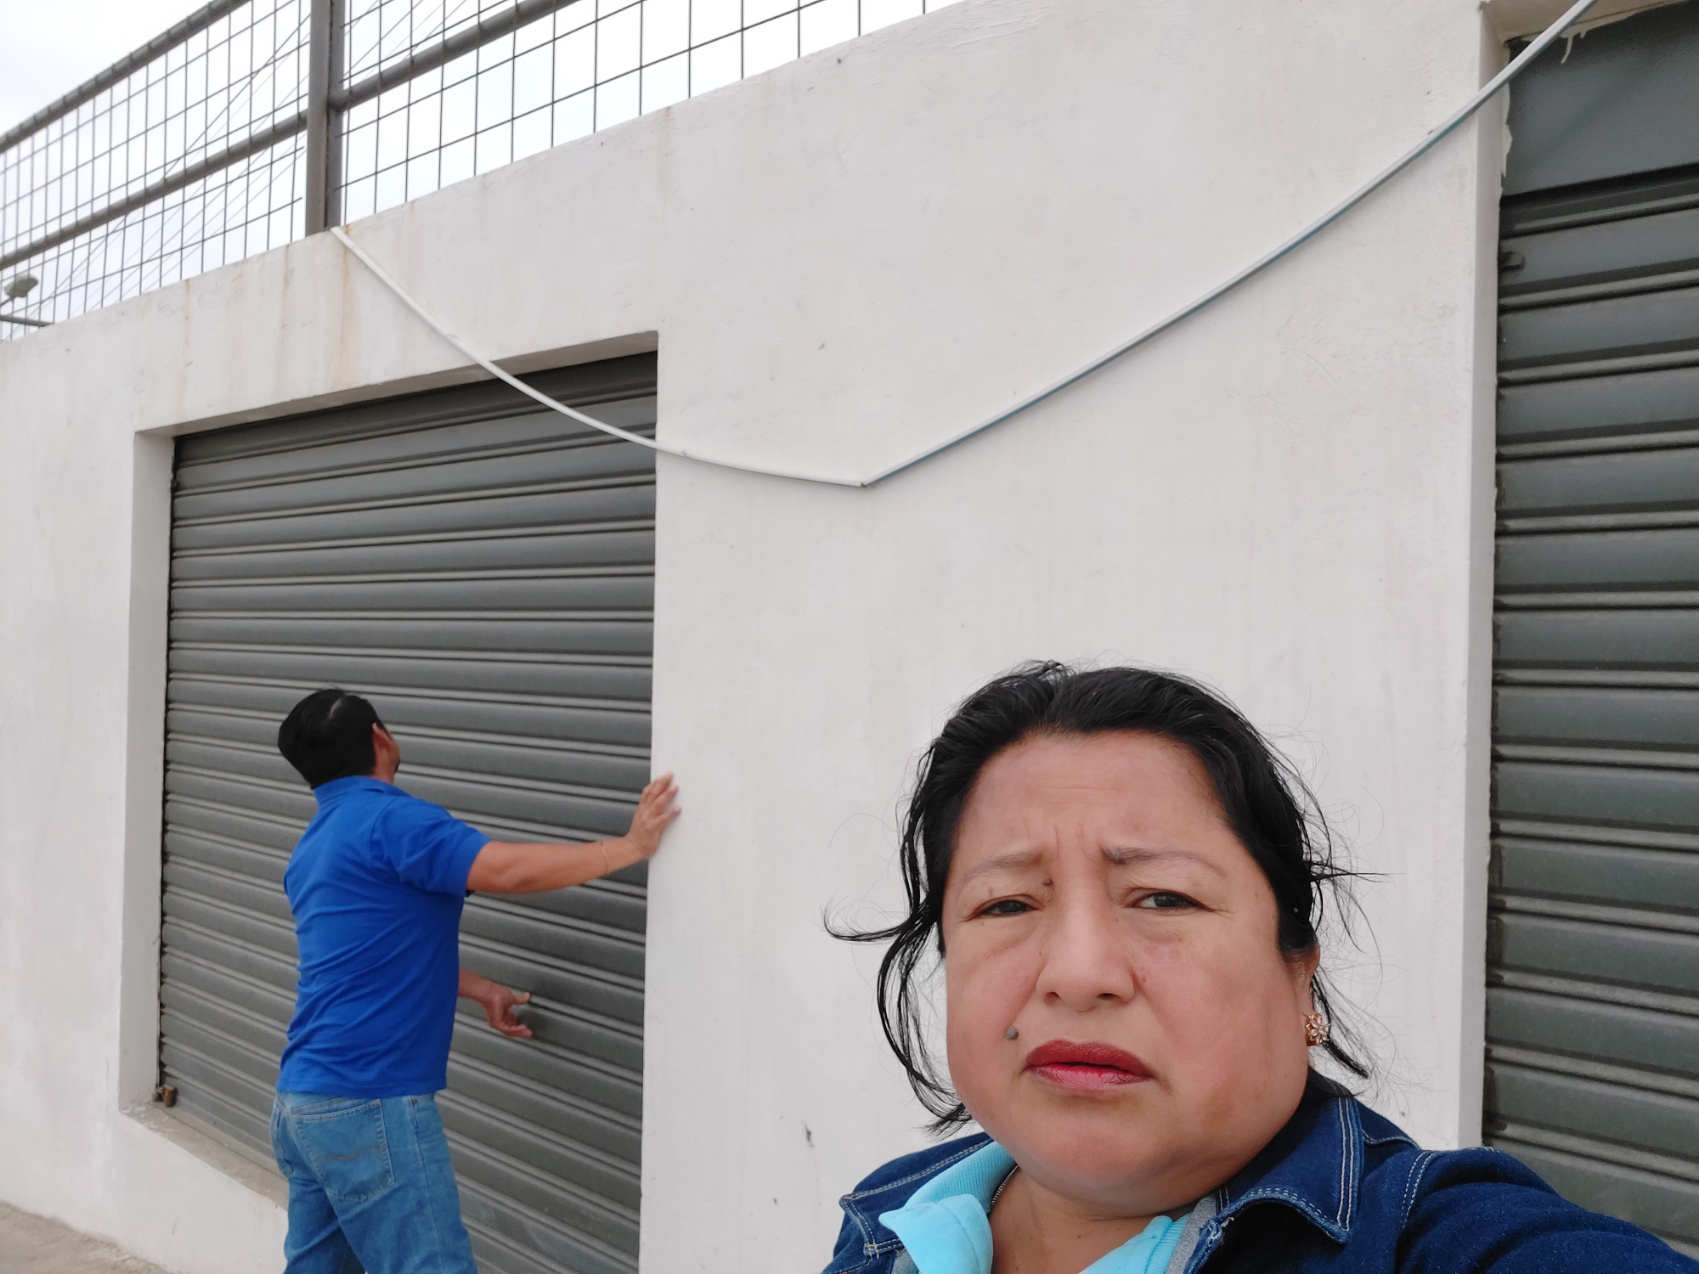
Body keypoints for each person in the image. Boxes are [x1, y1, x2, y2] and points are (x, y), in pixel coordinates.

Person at [824, 663, 1696, 1274]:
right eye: (1006, 905)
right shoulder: (891, 1220)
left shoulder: (1431, 1241)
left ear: (1297, 973)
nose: (1078, 973)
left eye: (1163, 898)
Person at [270, 688, 680, 1274]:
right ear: (381, 738)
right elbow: (505, 870)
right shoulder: (393, 819)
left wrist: (479, 987)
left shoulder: (312, 847)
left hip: (302, 1104)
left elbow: (361, 957)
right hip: (368, 1103)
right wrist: (630, 846)